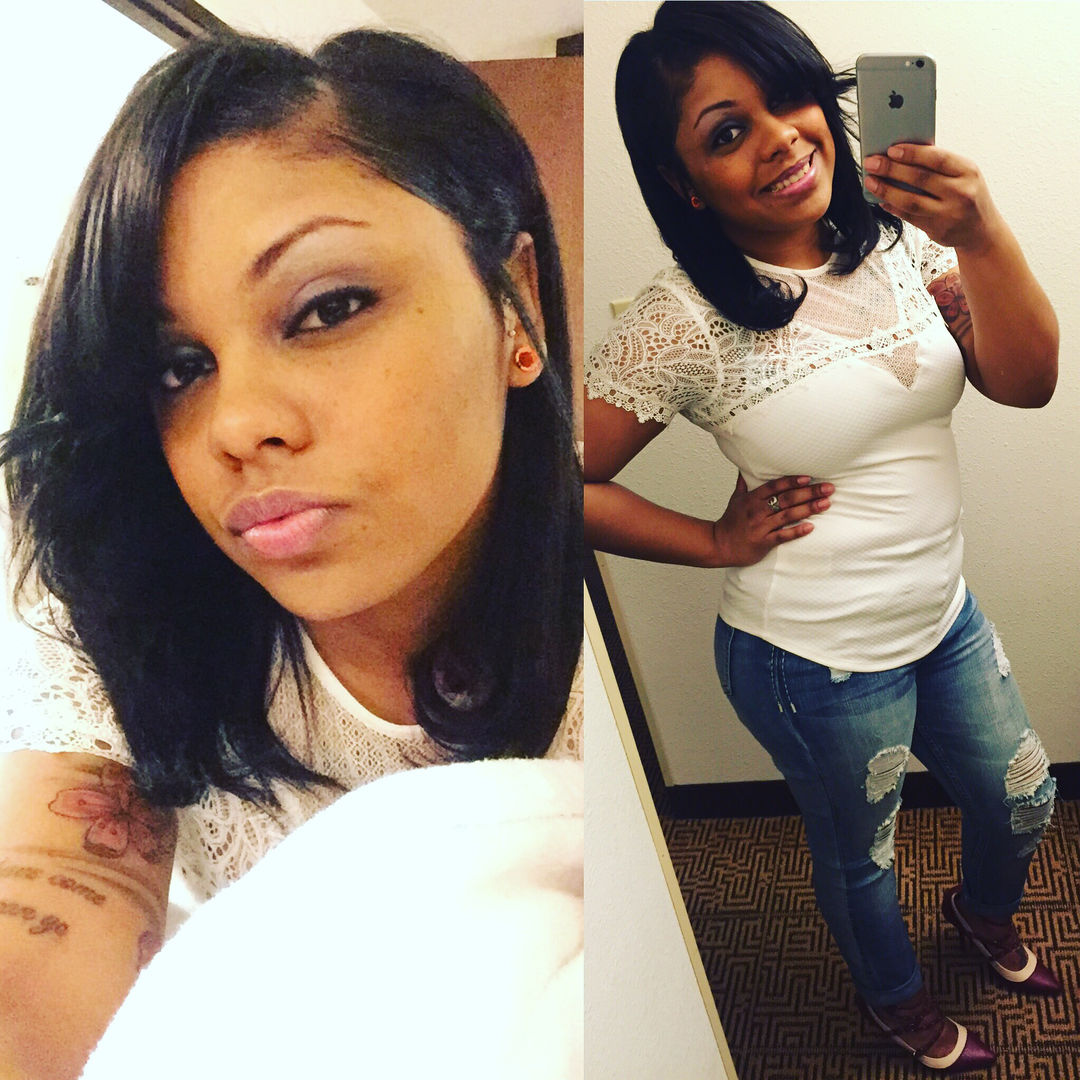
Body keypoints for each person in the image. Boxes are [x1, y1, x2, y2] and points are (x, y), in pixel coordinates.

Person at [0, 28, 581, 1079]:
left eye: (327, 309)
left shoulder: (606, 642)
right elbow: (32, 949)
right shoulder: (118, 617)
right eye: (178, 367)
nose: (237, 426)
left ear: (517, 305)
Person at [585, 1, 1058, 1072]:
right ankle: (895, 1001)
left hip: (942, 615)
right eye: (726, 131)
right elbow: (561, 482)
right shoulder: (679, 319)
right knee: (863, 858)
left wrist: (981, 232)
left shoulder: (896, 236)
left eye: (787, 98)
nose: (780, 138)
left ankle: (982, 914)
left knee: (1023, 797)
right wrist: (713, 541)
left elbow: (1028, 383)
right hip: (814, 661)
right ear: (682, 181)